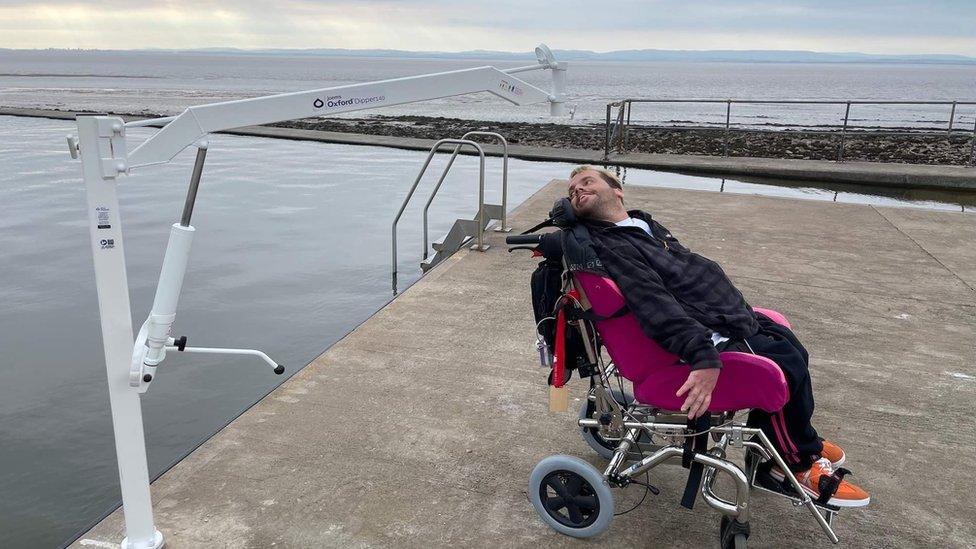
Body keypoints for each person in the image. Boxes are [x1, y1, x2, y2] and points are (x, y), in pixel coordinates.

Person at [563, 165, 869, 508]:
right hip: (703, 340)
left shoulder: (640, 224)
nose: (576, 190)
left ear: (617, 190)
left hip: (725, 318)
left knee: (790, 344)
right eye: (572, 189)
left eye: (586, 182)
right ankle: (793, 465)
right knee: (785, 365)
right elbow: (654, 302)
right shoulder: (610, 243)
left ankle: (796, 439)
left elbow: (682, 274)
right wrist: (702, 355)